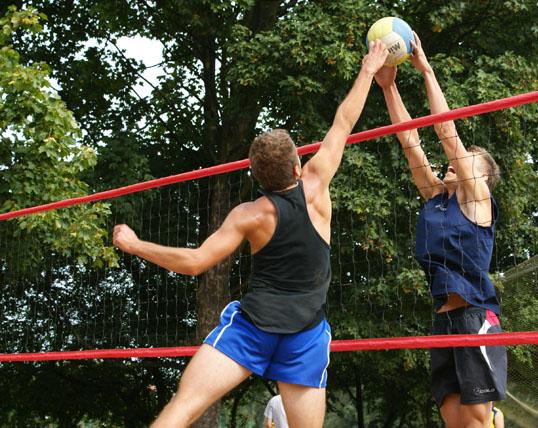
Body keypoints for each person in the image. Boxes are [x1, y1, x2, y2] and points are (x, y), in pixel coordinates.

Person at [112, 41, 388, 428]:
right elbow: (344, 121)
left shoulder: (248, 214)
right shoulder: (315, 184)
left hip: (254, 328)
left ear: (256, 176)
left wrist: (134, 244)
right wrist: (368, 70)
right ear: (296, 166)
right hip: (302, 335)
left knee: (182, 408)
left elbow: (195, 263)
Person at [374, 32, 506, 428]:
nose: (458, 160)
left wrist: (427, 71)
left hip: (475, 315)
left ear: (481, 176)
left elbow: (447, 135)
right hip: (442, 320)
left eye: (469, 160)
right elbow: (410, 142)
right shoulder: (435, 198)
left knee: (479, 422)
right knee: (454, 421)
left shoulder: (478, 201)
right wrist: (389, 86)